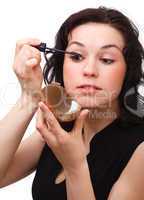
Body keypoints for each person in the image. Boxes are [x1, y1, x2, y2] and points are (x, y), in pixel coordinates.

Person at [1, 7, 144, 200]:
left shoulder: (140, 148)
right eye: (76, 56)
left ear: (129, 69)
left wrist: (75, 166)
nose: (90, 70)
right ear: (62, 64)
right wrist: (30, 96)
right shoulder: (59, 125)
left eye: (106, 59)